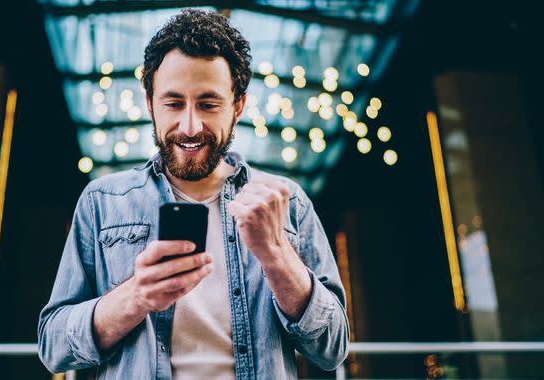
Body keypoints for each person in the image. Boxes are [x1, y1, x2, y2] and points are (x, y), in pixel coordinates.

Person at [38, 9, 349, 379]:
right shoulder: (103, 203)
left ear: (237, 107)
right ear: (149, 102)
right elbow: (53, 347)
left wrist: (277, 255)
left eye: (208, 104)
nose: (189, 126)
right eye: (173, 103)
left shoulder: (286, 201)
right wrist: (135, 297)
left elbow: (332, 347)